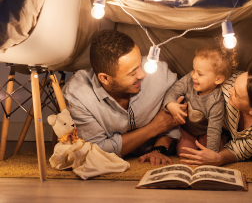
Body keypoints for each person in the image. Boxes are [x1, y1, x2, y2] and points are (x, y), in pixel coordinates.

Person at [62, 30, 183, 165]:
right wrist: (153, 128)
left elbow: (173, 119)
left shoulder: (159, 74)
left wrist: (160, 149)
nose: (142, 74)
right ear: (105, 78)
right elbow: (96, 151)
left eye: (140, 64)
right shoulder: (78, 96)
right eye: (132, 73)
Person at [179, 68, 252, 166]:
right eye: (234, 85)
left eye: (236, 94)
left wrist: (220, 158)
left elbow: (240, 150)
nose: (230, 90)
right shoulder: (226, 82)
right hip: (213, 121)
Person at [163, 45, 236, 154]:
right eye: (193, 70)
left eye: (200, 74)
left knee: (214, 149)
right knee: (184, 153)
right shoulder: (189, 79)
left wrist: (211, 153)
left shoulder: (216, 101)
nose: (193, 76)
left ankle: (223, 139)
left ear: (218, 79)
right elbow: (174, 90)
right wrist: (170, 104)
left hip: (206, 131)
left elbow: (214, 130)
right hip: (187, 129)